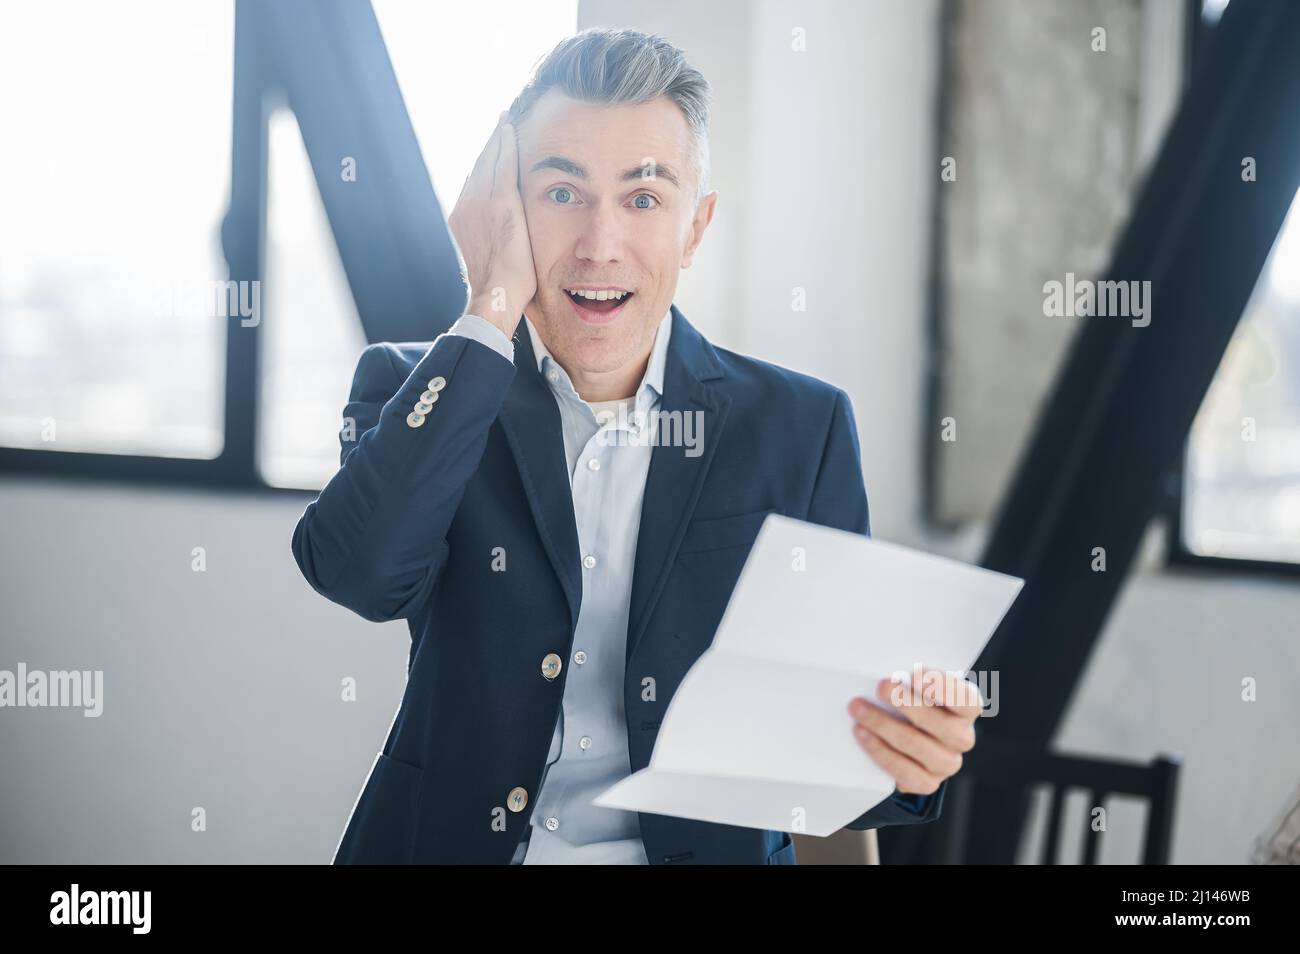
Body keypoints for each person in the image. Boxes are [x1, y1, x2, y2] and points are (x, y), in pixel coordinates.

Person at [292, 27, 978, 865]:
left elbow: (830, 772)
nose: (599, 243)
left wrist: (908, 759)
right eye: (561, 192)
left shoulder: (801, 429)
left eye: (645, 198)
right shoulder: (422, 393)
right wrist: (491, 301)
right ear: (503, 207)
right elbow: (358, 574)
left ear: (696, 228)